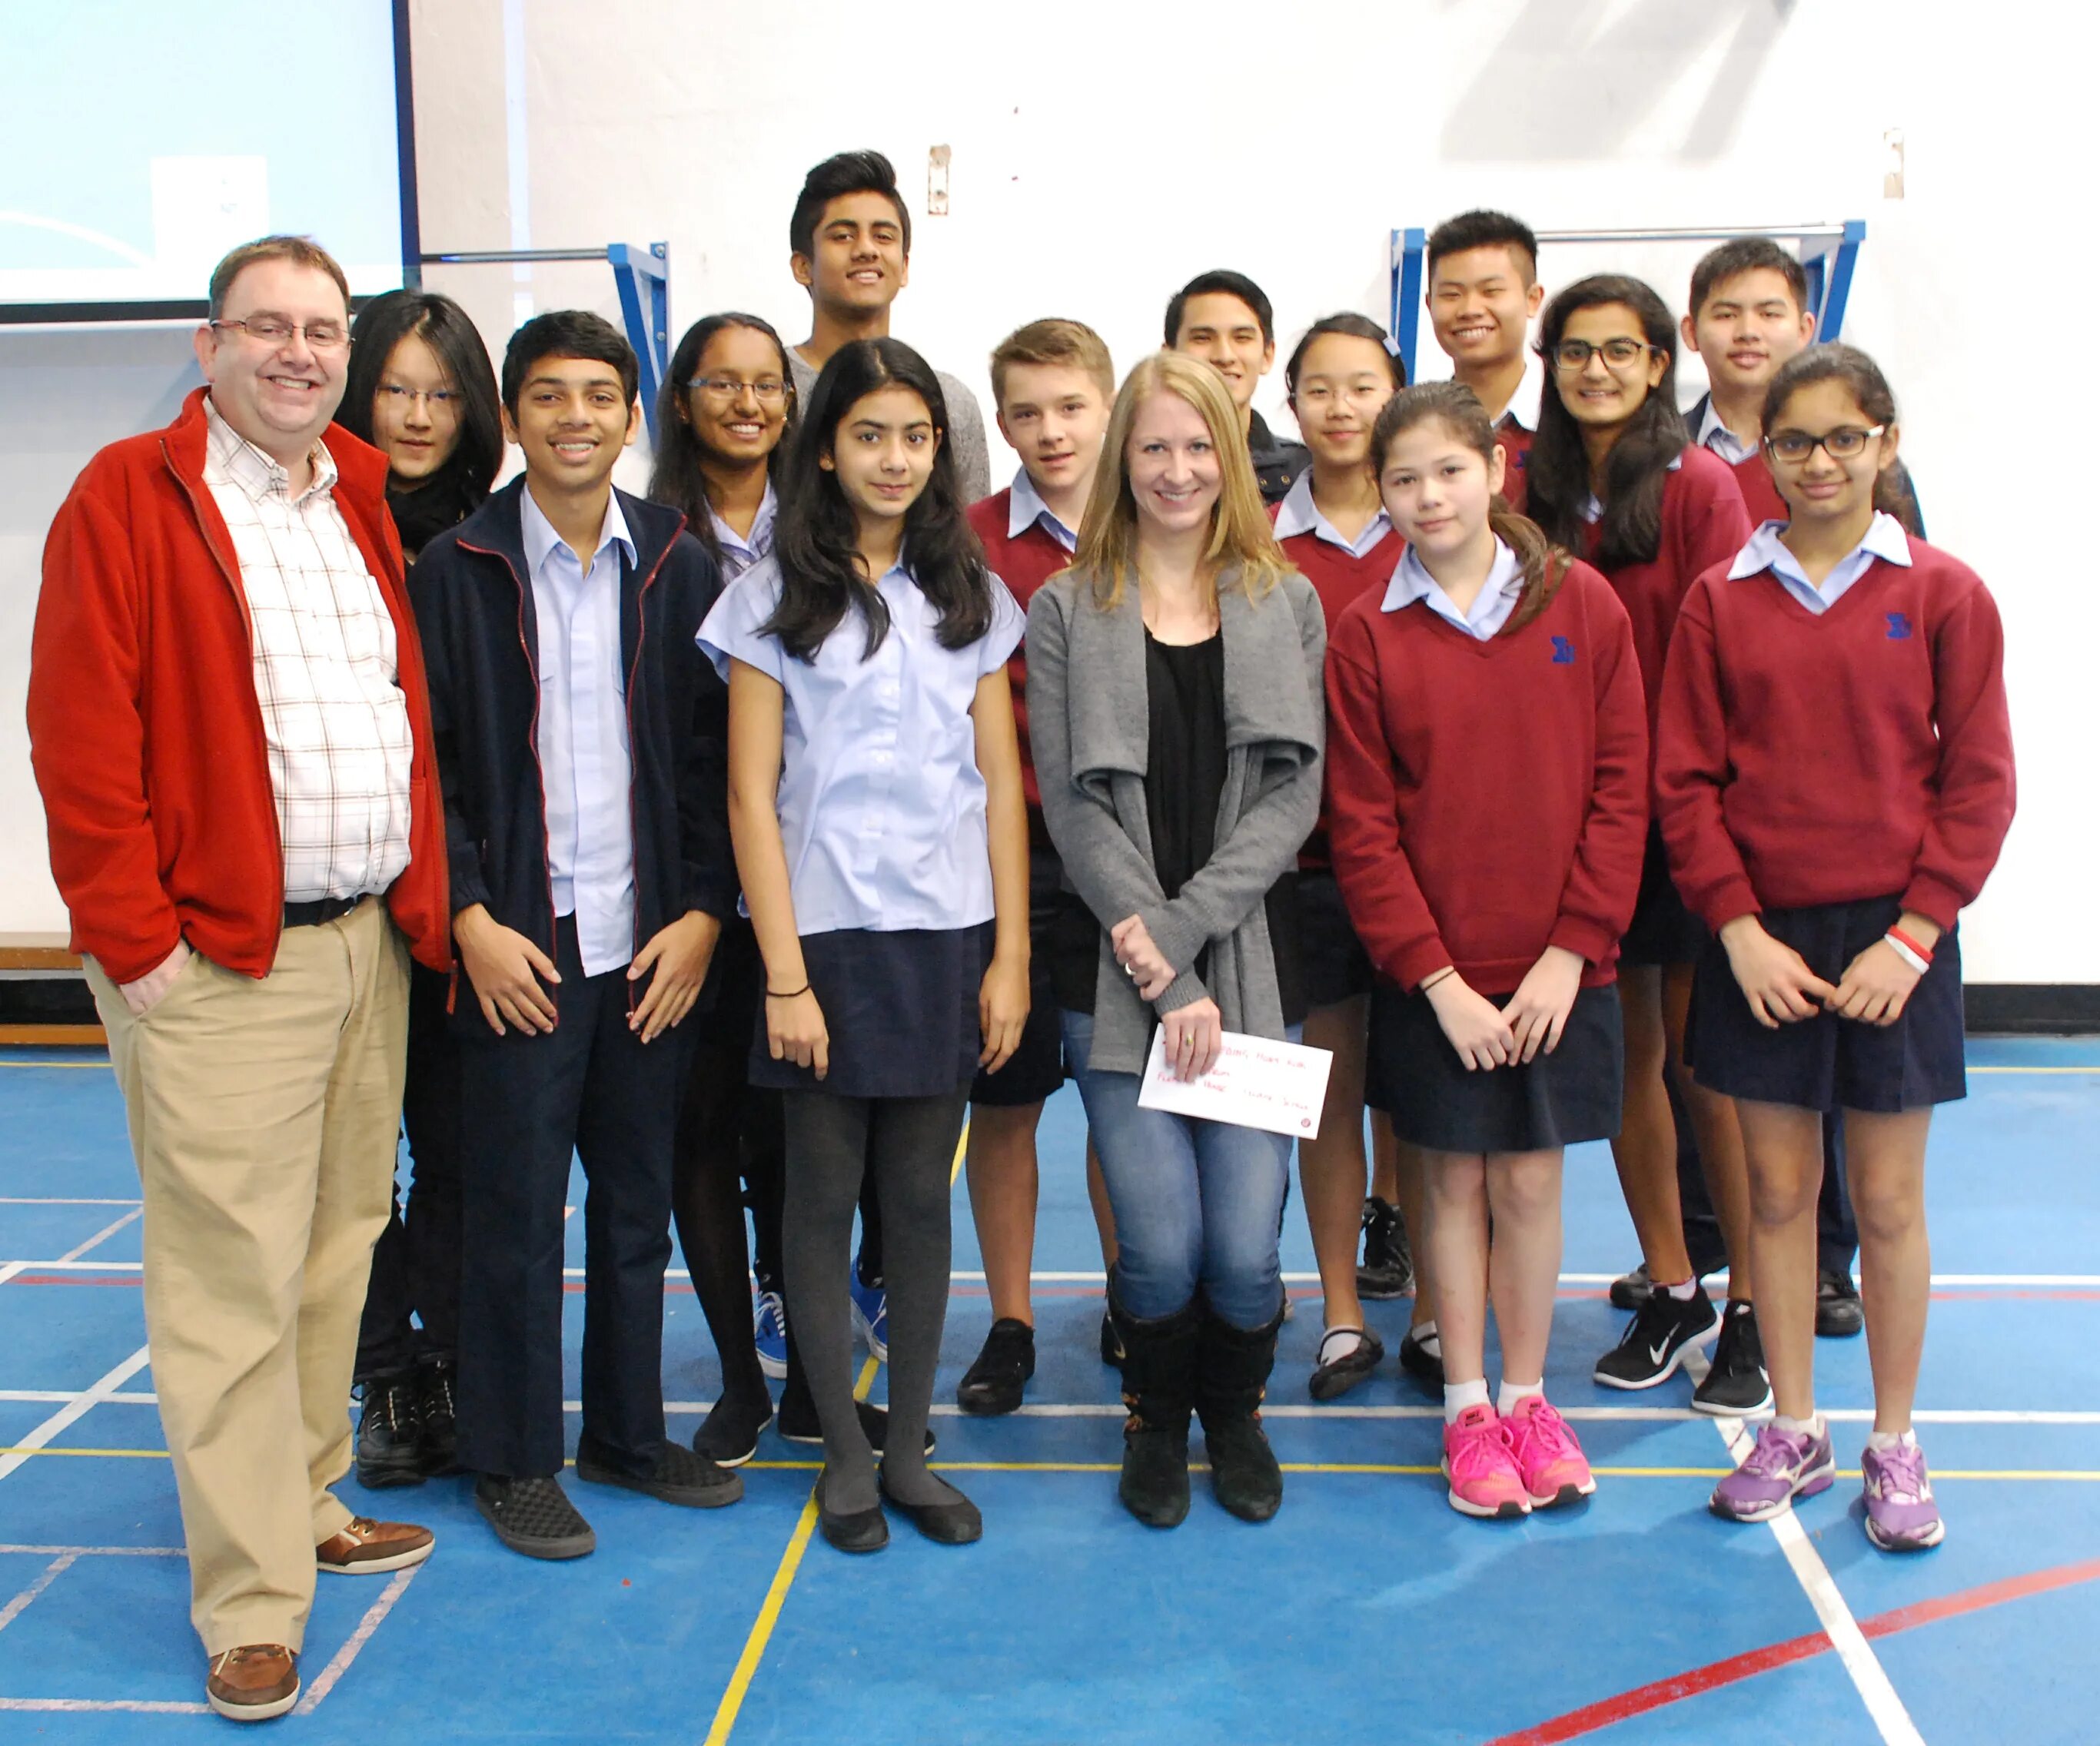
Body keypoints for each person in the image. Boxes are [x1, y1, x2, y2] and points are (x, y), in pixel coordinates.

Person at [28, 234, 444, 1722]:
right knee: (227, 1282)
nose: (298, 351)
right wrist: (137, 940)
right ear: (210, 342)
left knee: (338, 1243)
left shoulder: (354, 497)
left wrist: (410, 905)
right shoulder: (127, 500)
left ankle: (315, 1495)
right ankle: (254, 1596)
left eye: (322, 329)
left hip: (358, 945)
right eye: (266, 326)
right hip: (218, 956)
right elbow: (81, 740)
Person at [1658, 344, 2015, 1552]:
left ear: (1886, 444)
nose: (1819, 461)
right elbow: (1687, 783)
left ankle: (1896, 1442)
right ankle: (1793, 1428)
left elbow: (1978, 783)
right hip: (1762, 938)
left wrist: (1914, 937)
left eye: (1843, 439)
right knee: (1774, 1194)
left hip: (1893, 943)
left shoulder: (1946, 593)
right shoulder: (1720, 599)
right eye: (1795, 441)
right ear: (1766, 456)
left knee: (1889, 1200)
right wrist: (1738, 932)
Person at [414, 310, 744, 1560]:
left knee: (635, 1206)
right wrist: (467, 916)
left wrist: (706, 913)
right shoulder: (457, 569)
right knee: (512, 1213)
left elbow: (721, 764)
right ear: (512, 418)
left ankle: (621, 1429)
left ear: (629, 416)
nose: (573, 419)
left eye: (598, 396)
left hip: (648, 943)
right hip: (520, 946)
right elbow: (427, 766)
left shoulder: (676, 561)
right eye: (546, 396)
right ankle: (512, 1455)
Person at [702, 337, 1029, 1553]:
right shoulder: (768, 602)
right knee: (819, 1202)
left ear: (938, 453)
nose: (894, 459)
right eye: (869, 436)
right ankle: (840, 1452)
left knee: (917, 1206)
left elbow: (999, 784)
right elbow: (750, 799)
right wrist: (782, 974)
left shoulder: (974, 597)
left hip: (945, 938)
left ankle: (905, 1449)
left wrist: (1009, 959)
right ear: (825, 449)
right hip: (821, 944)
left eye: (916, 437)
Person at [1324, 381, 1646, 1519]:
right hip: (1438, 981)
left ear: (1495, 471)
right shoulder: (1367, 632)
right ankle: (1466, 1406)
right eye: (1402, 480)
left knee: (1530, 1177)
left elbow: (1622, 790)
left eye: (1448, 471)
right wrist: (1437, 980)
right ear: (1382, 494)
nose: (1428, 497)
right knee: (1446, 1182)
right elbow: (1362, 827)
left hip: (1560, 968)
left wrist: (1573, 950)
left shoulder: (1585, 606)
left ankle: (1526, 1394)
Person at [1028, 350, 1325, 1529]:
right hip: (1112, 974)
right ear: (1122, 459)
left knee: (1246, 1251)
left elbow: (1292, 799)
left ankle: (1234, 1418)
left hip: (1243, 969)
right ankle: (1155, 1421)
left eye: (1199, 446)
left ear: (1231, 456)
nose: (1177, 469)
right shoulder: (1065, 605)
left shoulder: (1282, 596)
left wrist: (1186, 946)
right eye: (1153, 447)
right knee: (1159, 1245)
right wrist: (1155, 966)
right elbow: (1070, 805)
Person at [1524, 275, 1764, 1413]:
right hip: (1580, 824)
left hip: (1681, 819)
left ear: (1659, 364)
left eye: (1620, 352)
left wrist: (1695, 804)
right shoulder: (1534, 485)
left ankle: (1755, 1310)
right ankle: (1674, 1290)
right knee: (1626, 1073)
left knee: (1703, 1069)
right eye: (1576, 353)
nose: (1597, 372)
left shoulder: (1700, 486)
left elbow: (1725, 656)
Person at [334, 287, 504, 1489]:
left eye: (442, 392)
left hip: (460, 896)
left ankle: (446, 1363)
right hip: (341, 891)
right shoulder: (318, 520)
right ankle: (382, 1372)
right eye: (395, 387)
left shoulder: (495, 536)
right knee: (353, 1168)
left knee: (454, 1152)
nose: (417, 414)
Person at [955, 318, 1123, 1414]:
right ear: (1001, 420)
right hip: (1007, 870)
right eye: (1025, 411)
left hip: (1130, 875)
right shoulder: (966, 540)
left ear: (1108, 405)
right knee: (1005, 1102)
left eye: (1070, 406)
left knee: (1128, 1106)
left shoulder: (1159, 522)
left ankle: (1132, 1294)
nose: (1049, 430)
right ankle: (1011, 1319)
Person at [1268, 314, 1427, 1400]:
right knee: (1323, 1091)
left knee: (1421, 1089)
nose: (1339, 407)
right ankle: (1337, 1310)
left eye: (1361, 386)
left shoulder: (1441, 528)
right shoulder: (1261, 544)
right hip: (1308, 864)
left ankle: (1426, 1305)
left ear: (1394, 395)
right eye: (1318, 388)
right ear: (1291, 406)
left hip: (1430, 866)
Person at [786, 148, 990, 503]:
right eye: (843, 236)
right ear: (803, 266)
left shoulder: (950, 402)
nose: (866, 249)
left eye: (883, 236)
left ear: (905, 265)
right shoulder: (768, 389)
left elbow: (966, 537)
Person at [1423, 211, 1547, 509]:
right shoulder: (1417, 425)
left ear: (1532, 299)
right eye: (1452, 295)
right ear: (1429, 304)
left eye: (1491, 291)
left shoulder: (1568, 415)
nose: (1470, 309)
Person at [1166, 269, 1310, 503]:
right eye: (1203, 338)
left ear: (1267, 355)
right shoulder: (1137, 467)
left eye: (1242, 338)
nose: (1224, 356)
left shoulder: (1304, 472)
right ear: (1169, 355)